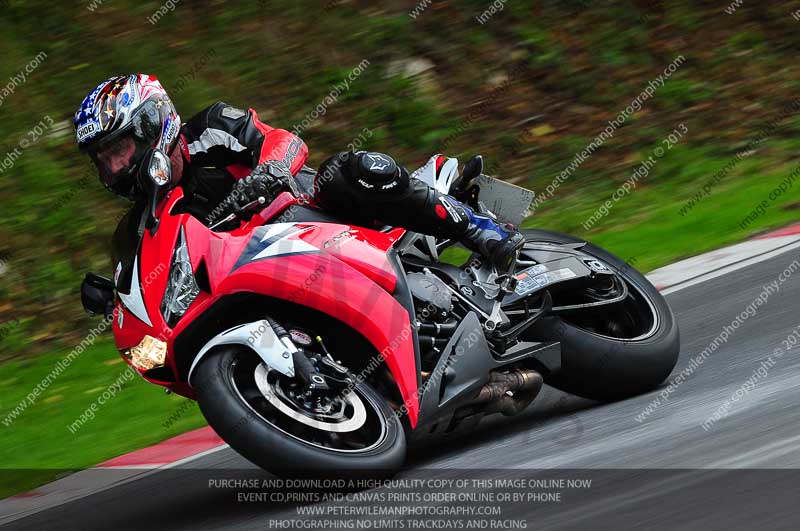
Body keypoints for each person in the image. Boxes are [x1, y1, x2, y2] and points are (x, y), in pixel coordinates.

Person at [74, 73, 523, 272]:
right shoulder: (145, 223)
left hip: (316, 213)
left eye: (119, 150)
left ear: (151, 124)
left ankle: (479, 228)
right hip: (265, 267)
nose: (115, 167)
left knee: (342, 171)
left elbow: (286, 141)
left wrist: (269, 171)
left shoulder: (209, 129)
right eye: (103, 160)